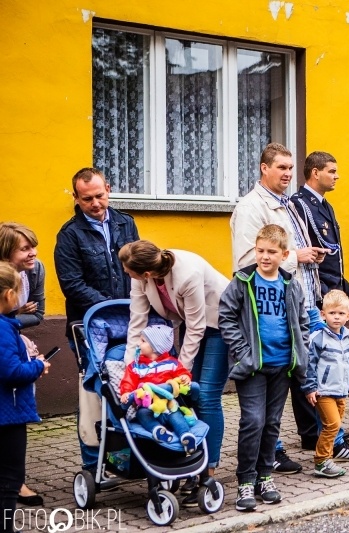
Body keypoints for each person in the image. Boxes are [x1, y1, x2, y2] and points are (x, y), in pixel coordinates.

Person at [230, 142, 325, 471]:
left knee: (303, 373)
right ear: (263, 168)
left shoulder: (286, 204)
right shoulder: (250, 207)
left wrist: (308, 254)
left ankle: (322, 439)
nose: (287, 173)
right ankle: (272, 453)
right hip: (270, 310)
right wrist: (294, 256)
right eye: (281, 167)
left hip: (302, 300)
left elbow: (287, 252)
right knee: (272, 383)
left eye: (289, 167)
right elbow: (246, 262)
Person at [118, 240, 229, 504]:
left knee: (207, 396)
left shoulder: (187, 273)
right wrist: (128, 367)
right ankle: (190, 463)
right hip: (193, 323)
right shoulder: (141, 277)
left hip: (220, 321)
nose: (126, 273)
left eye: (128, 271)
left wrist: (179, 374)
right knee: (187, 399)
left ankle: (207, 473)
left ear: (145, 273)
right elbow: (137, 321)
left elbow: (197, 328)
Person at [54, 167, 139, 475]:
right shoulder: (69, 235)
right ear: (76, 198)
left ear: (109, 190)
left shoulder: (125, 222)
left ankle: (127, 458)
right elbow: (72, 284)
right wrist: (109, 307)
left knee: (129, 385)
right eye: (87, 198)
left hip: (129, 323)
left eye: (100, 196)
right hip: (88, 327)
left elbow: (136, 267)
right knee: (92, 392)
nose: (95, 204)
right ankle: (93, 465)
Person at [218, 224, 309, 511]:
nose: (265, 257)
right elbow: (226, 318)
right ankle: (245, 480)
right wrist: (244, 353)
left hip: (282, 365)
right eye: (260, 251)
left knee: (271, 423)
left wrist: (299, 350)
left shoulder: (290, 284)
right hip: (253, 367)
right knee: (253, 421)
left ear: (284, 255)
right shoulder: (243, 282)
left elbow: (303, 322)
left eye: (271, 252)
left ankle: (264, 476)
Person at [0, 262, 49, 531]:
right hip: (7, 415)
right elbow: (11, 372)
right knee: (10, 476)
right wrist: (38, 365)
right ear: (9, 295)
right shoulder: (3, 328)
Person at [302, 290, 349, 478]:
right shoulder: (318, 338)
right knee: (332, 425)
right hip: (323, 390)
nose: (336, 317)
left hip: (341, 390)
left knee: (334, 425)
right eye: (332, 313)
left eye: (341, 314)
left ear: (348, 316)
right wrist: (310, 387)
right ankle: (321, 461)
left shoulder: (348, 338)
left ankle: (327, 459)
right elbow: (309, 364)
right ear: (323, 314)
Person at [118, 325, 197, 452]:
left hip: (168, 404)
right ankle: (157, 430)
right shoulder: (136, 366)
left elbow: (181, 374)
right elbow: (128, 381)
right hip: (147, 406)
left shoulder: (172, 363)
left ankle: (186, 435)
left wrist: (185, 377)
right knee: (142, 415)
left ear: (155, 347)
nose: (138, 343)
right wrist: (126, 392)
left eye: (143, 341)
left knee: (176, 416)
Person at [291, 151, 349, 299]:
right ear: (315, 173)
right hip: (318, 290)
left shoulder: (326, 206)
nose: (336, 176)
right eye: (332, 171)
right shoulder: (299, 204)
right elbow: (302, 248)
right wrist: (321, 290)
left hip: (334, 289)